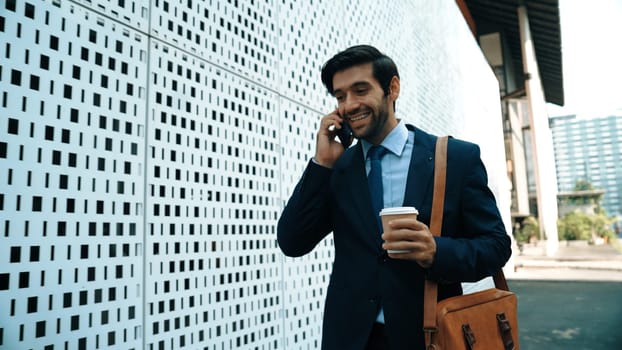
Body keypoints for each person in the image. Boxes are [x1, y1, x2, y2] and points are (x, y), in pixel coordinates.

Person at [277, 45, 511, 350]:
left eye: (360, 90)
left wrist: (436, 252)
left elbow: (496, 246)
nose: (349, 105)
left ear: (393, 88)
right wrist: (322, 164)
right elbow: (292, 242)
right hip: (350, 338)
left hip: (427, 337)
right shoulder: (339, 167)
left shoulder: (455, 158)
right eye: (340, 96)